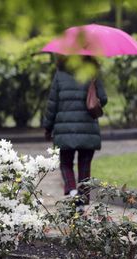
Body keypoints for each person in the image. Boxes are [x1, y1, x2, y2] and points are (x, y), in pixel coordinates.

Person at [43, 55, 107, 203]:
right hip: (88, 128)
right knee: (84, 165)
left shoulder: (60, 74)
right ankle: (82, 199)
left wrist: (47, 127)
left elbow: (52, 103)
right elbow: (103, 99)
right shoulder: (92, 72)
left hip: (63, 129)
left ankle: (72, 192)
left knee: (65, 163)